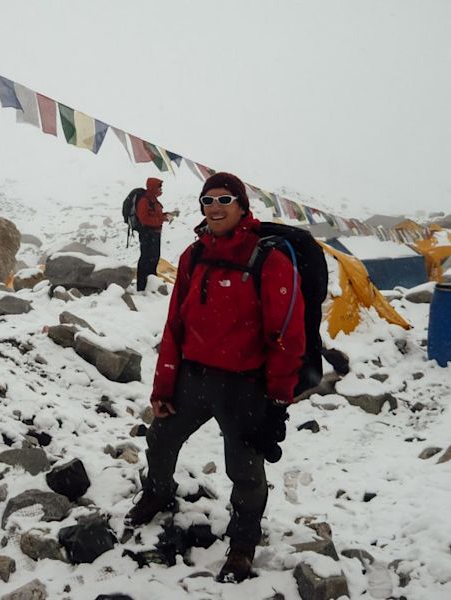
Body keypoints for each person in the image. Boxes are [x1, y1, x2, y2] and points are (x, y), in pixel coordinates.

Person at [125, 172, 306, 583]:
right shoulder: (193, 256)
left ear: (243, 206)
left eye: (225, 199)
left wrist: (277, 401)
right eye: (208, 200)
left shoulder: (268, 259)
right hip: (192, 376)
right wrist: (163, 386)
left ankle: (242, 544)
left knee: (243, 470)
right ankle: (157, 492)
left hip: (243, 385)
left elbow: (287, 336)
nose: (216, 207)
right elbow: (175, 324)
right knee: (160, 438)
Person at [135, 177, 172, 292]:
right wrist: (162, 219)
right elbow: (144, 219)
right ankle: (142, 287)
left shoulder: (153, 200)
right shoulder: (144, 200)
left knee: (154, 258)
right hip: (147, 234)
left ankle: (152, 284)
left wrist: (166, 215)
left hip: (154, 234)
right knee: (146, 259)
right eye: (159, 186)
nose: (161, 189)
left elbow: (154, 215)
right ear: (153, 187)